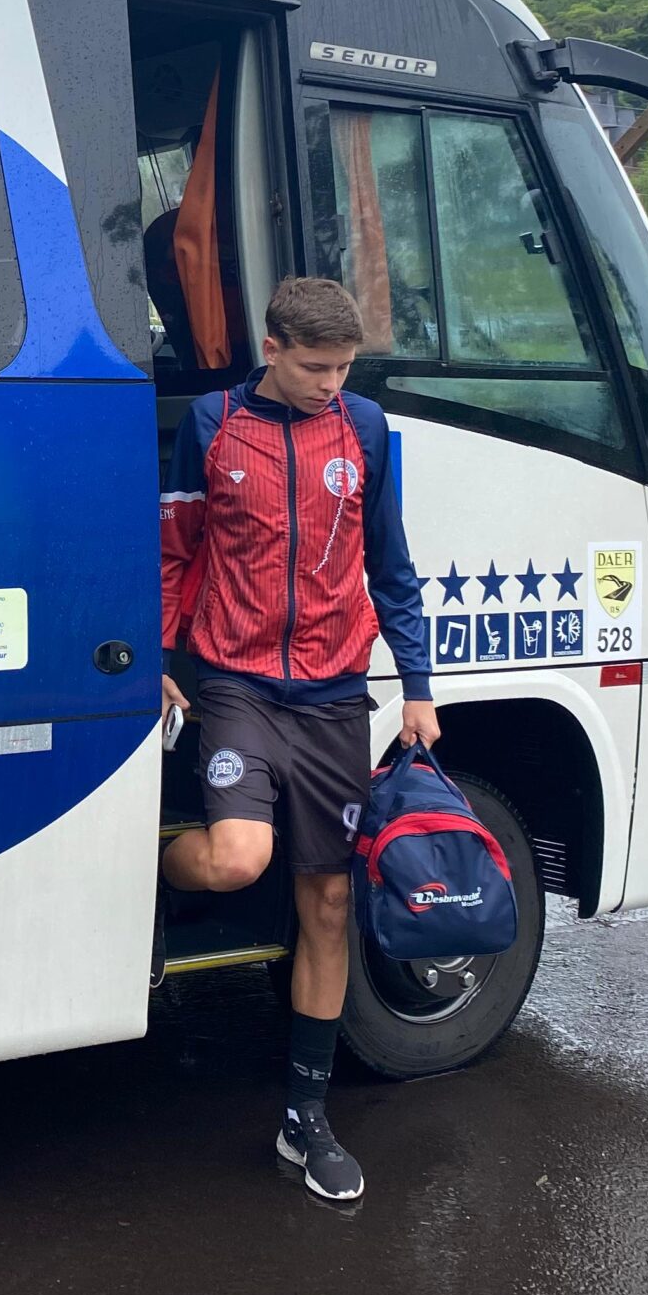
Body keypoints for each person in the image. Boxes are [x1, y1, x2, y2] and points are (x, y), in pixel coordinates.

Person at [157, 275, 435, 1202]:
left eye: (344, 368)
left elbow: (390, 564)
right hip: (235, 683)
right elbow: (177, 549)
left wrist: (419, 689)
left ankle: (305, 1118)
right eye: (316, 367)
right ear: (271, 348)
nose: (331, 384)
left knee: (326, 903)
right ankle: (156, 871)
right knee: (238, 859)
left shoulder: (366, 430)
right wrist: (158, 655)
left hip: (335, 695)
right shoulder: (212, 423)